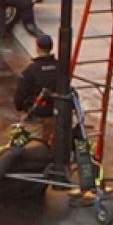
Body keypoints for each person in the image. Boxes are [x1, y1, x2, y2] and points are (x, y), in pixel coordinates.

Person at [16, 34, 73, 186]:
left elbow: (20, 93)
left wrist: (22, 110)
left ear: (37, 47)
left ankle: (33, 179)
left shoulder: (31, 70)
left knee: (34, 146)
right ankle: (55, 171)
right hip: (55, 114)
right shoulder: (60, 67)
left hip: (36, 114)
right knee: (52, 144)